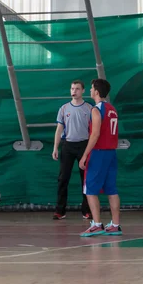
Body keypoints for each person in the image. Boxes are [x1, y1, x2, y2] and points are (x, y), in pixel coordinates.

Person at [78, 79, 121, 237]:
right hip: (111, 153)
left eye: (91, 88)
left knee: (90, 189)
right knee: (111, 189)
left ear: (96, 91)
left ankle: (96, 224)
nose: (90, 90)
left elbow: (95, 134)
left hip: (99, 152)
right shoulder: (112, 109)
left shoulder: (96, 110)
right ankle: (115, 224)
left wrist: (84, 155)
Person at [52, 80, 93, 220]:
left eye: (77, 88)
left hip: (84, 146)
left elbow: (94, 131)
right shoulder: (63, 109)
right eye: (72, 88)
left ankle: (87, 210)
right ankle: (60, 211)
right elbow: (59, 129)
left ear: (83, 91)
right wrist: (55, 147)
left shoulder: (89, 108)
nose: (74, 91)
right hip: (67, 146)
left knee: (86, 179)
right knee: (63, 178)